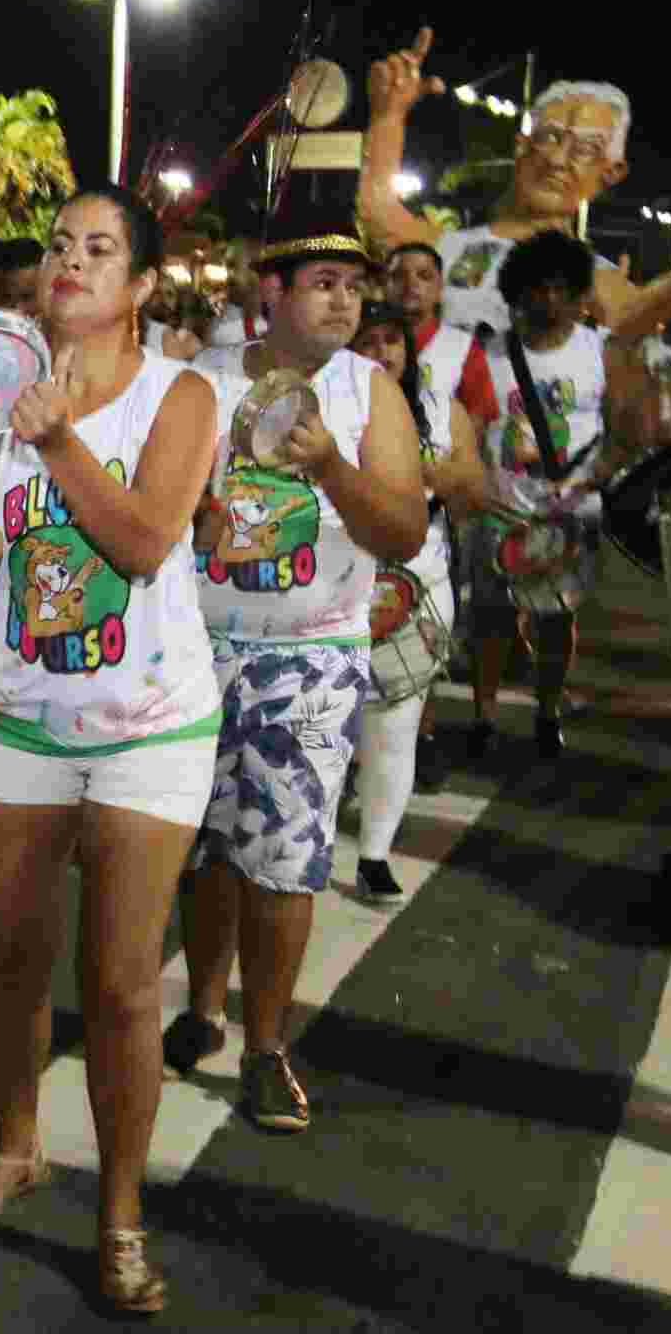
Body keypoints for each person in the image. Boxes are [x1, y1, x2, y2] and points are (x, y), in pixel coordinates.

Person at [0, 184, 222, 1314]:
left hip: (149, 725)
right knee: (6, 949)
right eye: (58, 245)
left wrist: (57, 442)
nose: (69, 262)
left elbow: (146, 542)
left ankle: (120, 1214)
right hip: (16, 715)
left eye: (101, 250)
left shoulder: (179, 395)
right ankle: (15, 1145)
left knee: (119, 981)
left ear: (142, 286)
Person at [166, 234, 428, 1135]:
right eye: (324, 285)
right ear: (269, 292)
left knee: (283, 862)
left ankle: (266, 1046)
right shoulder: (197, 379)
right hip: (194, 648)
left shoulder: (368, 390)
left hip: (311, 659)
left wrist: (328, 464)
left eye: (355, 288)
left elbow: (401, 527)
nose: (346, 303)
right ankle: (202, 1007)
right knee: (202, 850)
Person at [363, 33, 671, 344]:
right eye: (551, 137)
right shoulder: (448, 248)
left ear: (611, 173)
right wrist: (388, 115)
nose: (558, 160)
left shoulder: (591, 275)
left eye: (586, 149)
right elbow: (379, 216)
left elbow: (631, 317)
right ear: (521, 146)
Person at [462, 230, 621, 762]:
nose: (548, 299)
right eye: (537, 288)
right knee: (489, 619)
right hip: (501, 506)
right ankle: (484, 716)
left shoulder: (599, 350)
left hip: (572, 510)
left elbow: (620, 428)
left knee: (557, 619)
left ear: (578, 293)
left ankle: (547, 711)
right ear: (516, 292)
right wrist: (477, 483)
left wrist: (592, 479)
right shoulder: (487, 352)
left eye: (560, 288)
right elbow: (468, 423)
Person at [347, 298, 485, 902]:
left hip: (418, 587)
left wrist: (427, 472)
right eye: (367, 341)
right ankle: (316, 834)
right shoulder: (323, 401)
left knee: (396, 728)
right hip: (335, 586)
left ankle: (374, 853)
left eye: (391, 341)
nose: (381, 354)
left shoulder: (437, 407)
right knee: (325, 724)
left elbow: (474, 486)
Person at [385, 240, 498, 790]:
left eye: (424, 275)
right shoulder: (365, 340)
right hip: (371, 506)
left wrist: (446, 474)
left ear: (439, 286)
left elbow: (475, 421)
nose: (411, 285)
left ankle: (421, 731)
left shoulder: (460, 349)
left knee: (427, 619)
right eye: (400, 275)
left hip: (438, 509)